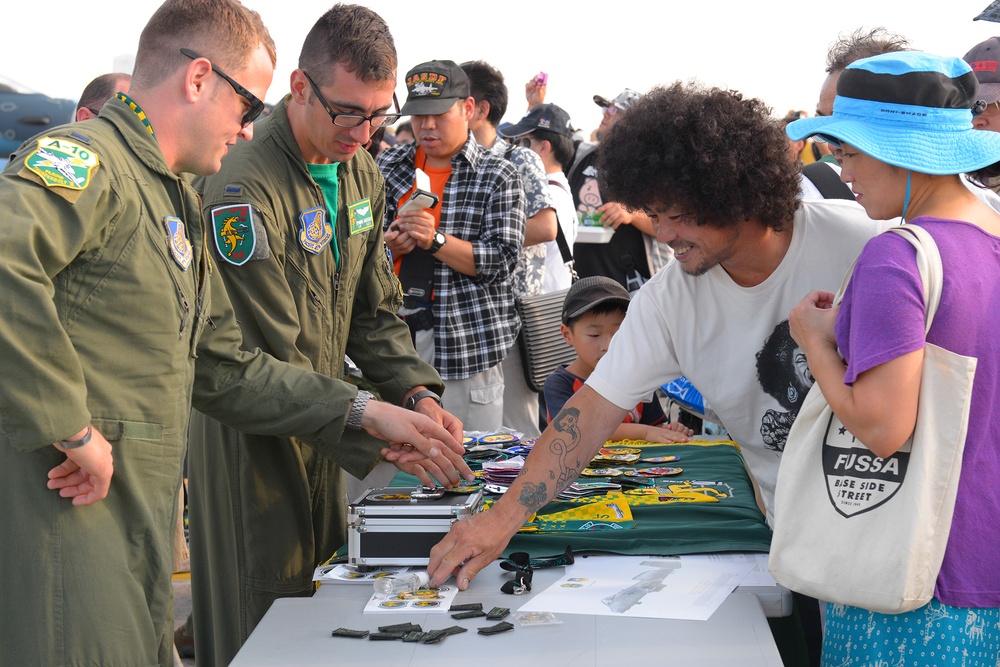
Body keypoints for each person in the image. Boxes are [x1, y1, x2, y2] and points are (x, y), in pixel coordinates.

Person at [0, 1, 468, 665]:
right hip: (79, 513)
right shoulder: (88, 162)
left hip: (142, 512)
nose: (250, 130)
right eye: (246, 105)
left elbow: (225, 366)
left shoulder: (172, 198)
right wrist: (71, 426)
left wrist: (377, 407)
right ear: (198, 79)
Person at [427, 81, 885, 591]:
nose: (663, 234)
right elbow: (590, 413)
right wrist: (501, 519)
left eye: (679, 215)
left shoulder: (865, 244)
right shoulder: (669, 300)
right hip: (793, 535)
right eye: (655, 214)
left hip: (893, 525)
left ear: (739, 193)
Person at [185, 6, 463, 665]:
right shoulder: (244, 188)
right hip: (255, 443)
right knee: (261, 618)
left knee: (322, 610)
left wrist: (417, 394)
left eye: (378, 114)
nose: (364, 132)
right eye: (348, 113)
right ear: (300, 87)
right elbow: (259, 361)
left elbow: (374, 314)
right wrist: (373, 417)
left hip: (325, 428)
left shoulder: (361, 172)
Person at [786, 50, 1000, 666]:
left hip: (914, 579)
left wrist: (815, 342)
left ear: (899, 148)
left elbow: (881, 427)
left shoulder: (897, 259)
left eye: (850, 151)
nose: (841, 169)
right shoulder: (990, 232)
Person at [377, 59, 525, 432]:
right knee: (394, 470)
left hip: (465, 347)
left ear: (469, 109)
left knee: (467, 461)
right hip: (392, 343)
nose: (426, 125)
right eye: (418, 115)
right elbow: (358, 246)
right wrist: (389, 246)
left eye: (438, 114)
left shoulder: (498, 173)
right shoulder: (387, 165)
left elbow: (502, 260)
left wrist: (435, 240)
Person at [462, 60, 559, 438]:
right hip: (469, 320)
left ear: (480, 109)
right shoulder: (452, 164)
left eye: (456, 100)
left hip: (513, 318)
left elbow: (546, 226)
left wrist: (473, 241)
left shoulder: (518, 158)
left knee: (519, 430)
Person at [545, 276, 693, 442]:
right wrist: (644, 432)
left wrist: (669, 430)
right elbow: (579, 430)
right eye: (594, 335)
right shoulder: (559, 383)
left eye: (619, 334)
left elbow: (654, 426)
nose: (608, 345)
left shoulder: (638, 375)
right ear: (567, 334)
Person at [500, 102, 579, 293]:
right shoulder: (559, 187)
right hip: (551, 304)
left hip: (540, 310)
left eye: (522, 141)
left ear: (544, 148)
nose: (515, 149)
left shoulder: (547, 194)